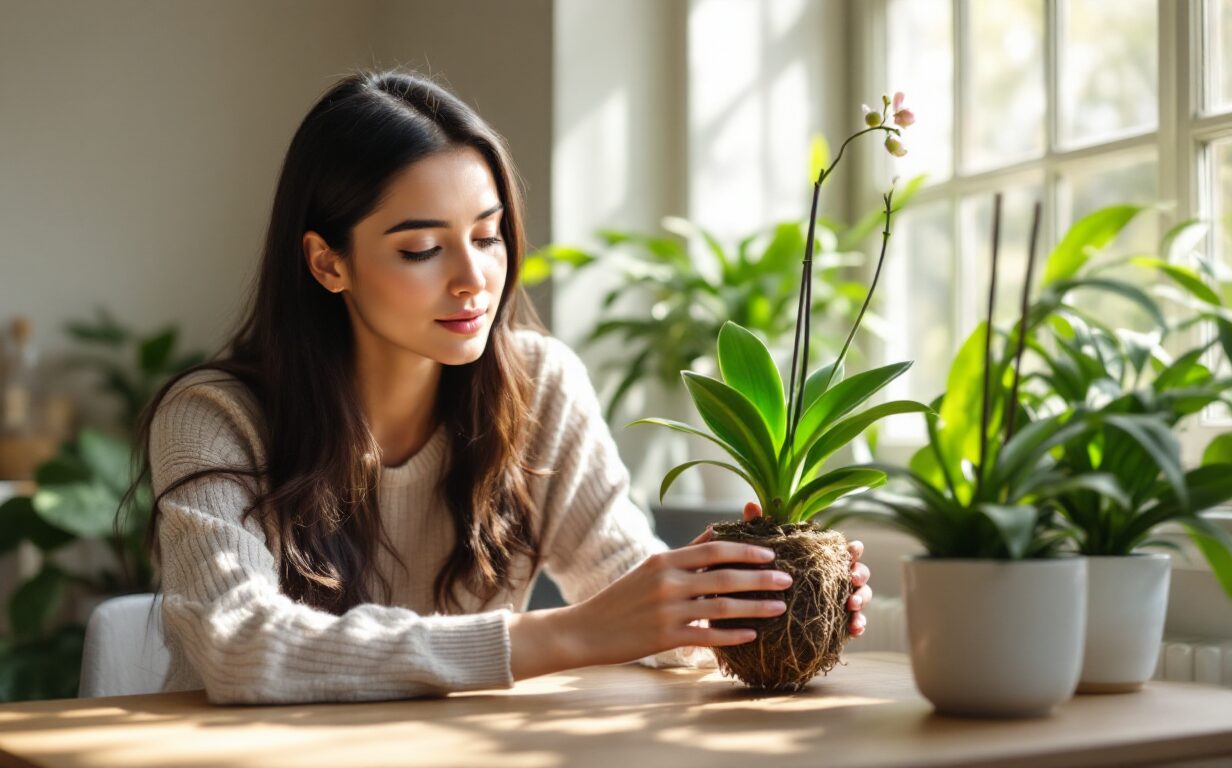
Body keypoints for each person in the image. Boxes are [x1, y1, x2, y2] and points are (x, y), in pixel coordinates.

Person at [133, 70, 873, 705]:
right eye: (421, 247)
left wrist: (734, 599)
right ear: (328, 264)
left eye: (487, 236)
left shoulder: (541, 387)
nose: (473, 278)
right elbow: (240, 647)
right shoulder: (213, 418)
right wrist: (565, 633)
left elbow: (624, 585)